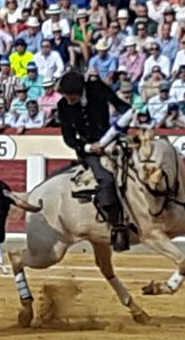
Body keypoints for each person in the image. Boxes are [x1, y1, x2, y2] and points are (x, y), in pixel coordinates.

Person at [55, 69, 134, 251]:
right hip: (89, 150)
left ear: (80, 90)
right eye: (66, 97)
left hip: (112, 140)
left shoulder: (97, 89)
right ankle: (117, 227)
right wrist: (89, 147)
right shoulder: (63, 106)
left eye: (71, 97)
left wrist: (126, 119)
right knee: (105, 179)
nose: (68, 101)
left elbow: (120, 105)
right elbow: (69, 138)